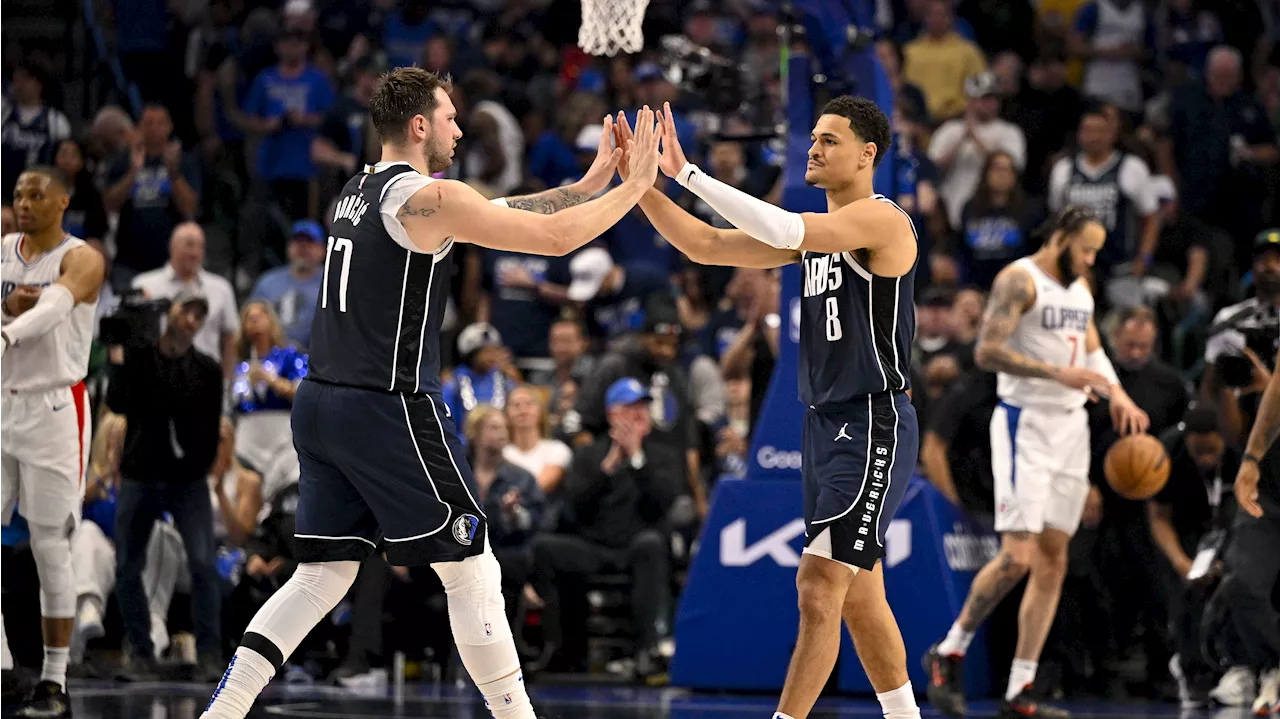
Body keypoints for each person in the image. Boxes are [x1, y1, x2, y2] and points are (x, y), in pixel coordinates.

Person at [199, 67, 662, 719]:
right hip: (384, 404)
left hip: (321, 402)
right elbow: (552, 241)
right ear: (420, 126)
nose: (459, 127)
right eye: (449, 117)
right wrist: (636, 186)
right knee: (472, 564)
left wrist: (584, 186)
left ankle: (223, 709)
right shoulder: (423, 199)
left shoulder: (356, 191)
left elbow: (492, 213)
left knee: (323, 573)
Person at [614, 95, 922, 719]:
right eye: (813, 136)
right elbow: (704, 244)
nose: (813, 147)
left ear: (868, 155)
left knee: (817, 587)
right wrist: (641, 187)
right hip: (826, 423)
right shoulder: (816, 240)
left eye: (829, 139)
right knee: (859, 597)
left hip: (871, 423)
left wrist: (690, 174)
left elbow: (786, 228)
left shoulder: (882, 221)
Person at [923, 205, 1150, 719]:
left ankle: (1020, 689)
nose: (1091, 259)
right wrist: (1055, 373)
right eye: (1086, 248)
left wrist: (1117, 395)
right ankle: (949, 650)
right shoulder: (1019, 280)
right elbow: (986, 351)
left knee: (1053, 559)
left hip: (1071, 429)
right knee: (1018, 558)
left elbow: (1091, 351)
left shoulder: (1080, 289)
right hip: (1026, 424)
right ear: (1063, 236)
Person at [0, 166, 106, 718]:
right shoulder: (2, 251)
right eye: (18, 194)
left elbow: (55, 308)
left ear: (62, 201)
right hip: (1, 402)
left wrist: (7, 331)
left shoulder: (82, 257)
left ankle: (54, 680)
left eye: (36, 194)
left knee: (50, 547)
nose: (24, 202)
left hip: (55, 408)